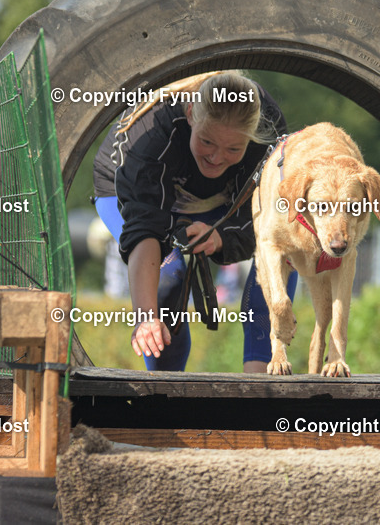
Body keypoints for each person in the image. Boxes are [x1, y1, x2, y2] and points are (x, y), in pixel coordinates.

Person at [92, 72, 296, 373]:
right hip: (130, 189)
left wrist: (221, 237)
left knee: (279, 251)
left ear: (251, 135)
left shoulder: (267, 132)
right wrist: (146, 317)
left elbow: (271, 220)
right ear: (191, 115)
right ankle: (165, 392)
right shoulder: (152, 134)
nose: (216, 157)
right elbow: (145, 229)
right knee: (170, 273)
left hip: (221, 200)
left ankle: (261, 380)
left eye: (233, 149)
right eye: (207, 141)